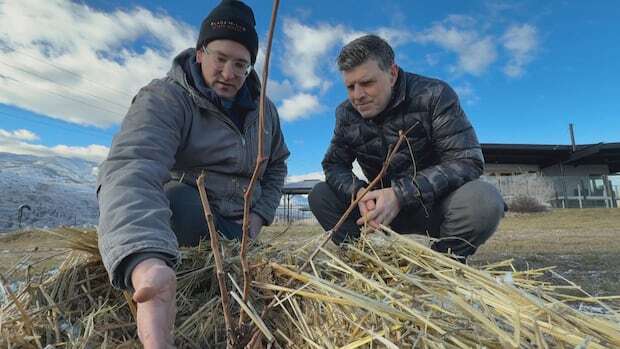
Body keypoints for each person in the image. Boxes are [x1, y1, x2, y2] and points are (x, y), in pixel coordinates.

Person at [96, 1, 289, 347]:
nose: (229, 73)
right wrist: (145, 260)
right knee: (177, 199)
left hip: (245, 231)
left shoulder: (265, 111)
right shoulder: (165, 99)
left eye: (241, 65)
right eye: (220, 59)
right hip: (193, 222)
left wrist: (259, 216)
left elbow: (276, 165)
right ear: (200, 52)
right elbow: (133, 167)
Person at [309, 34, 504, 261]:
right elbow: (334, 164)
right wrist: (359, 193)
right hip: (377, 213)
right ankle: (367, 262)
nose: (357, 96)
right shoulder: (346, 114)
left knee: (484, 200)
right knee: (319, 195)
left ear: (392, 74)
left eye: (367, 83)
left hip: (435, 206)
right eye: (350, 87)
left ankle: (441, 266)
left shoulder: (435, 94)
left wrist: (400, 194)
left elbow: (467, 161)